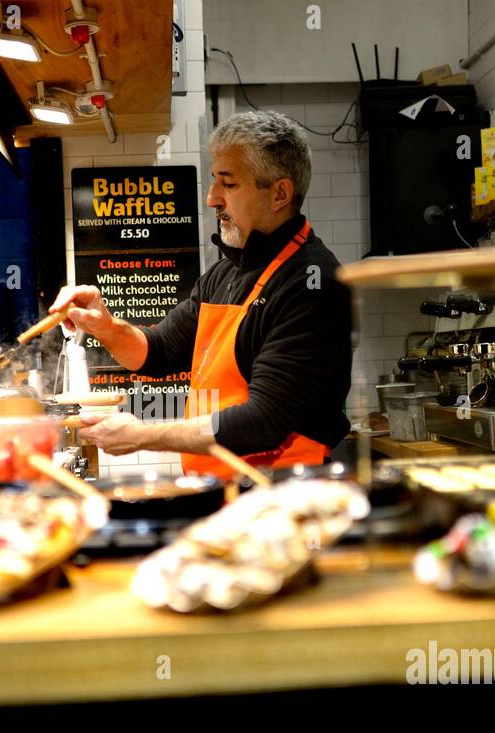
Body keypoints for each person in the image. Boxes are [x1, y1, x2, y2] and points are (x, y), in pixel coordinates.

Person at [49, 110, 354, 478]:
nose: (212, 198)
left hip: (287, 494)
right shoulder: (226, 272)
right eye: (214, 181)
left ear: (280, 194)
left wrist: (142, 435)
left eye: (228, 184)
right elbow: (158, 352)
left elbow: (264, 420)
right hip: (226, 489)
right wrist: (106, 326)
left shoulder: (311, 282)